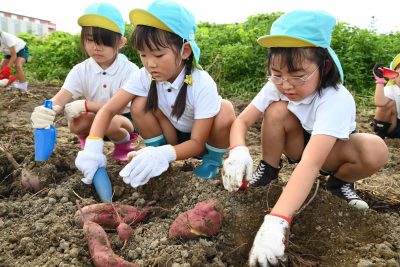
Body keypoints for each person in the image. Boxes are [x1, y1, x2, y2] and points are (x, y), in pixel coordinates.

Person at [221, 10, 388, 266]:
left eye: (298, 76)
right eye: (276, 74)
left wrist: (278, 219)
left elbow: (311, 163)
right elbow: (242, 121)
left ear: (325, 65)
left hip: (329, 153)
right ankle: (269, 168)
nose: (286, 85)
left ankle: (339, 183)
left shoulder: (336, 99)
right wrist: (238, 150)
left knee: (375, 149)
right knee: (276, 109)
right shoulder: (277, 84)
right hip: (297, 144)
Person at [74, 0, 236, 186]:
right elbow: (108, 110)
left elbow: (197, 142)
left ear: (185, 51)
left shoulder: (201, 82)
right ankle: (155, 154)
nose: (150, 64)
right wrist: (93, 149)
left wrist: (164, 154)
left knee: (225, 109)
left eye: (158, 55)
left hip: (202, 141)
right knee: (140, 103)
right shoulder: (144, 76)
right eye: (143, 55)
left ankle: (211, 163)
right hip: (171, 136)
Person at [30, 2, 139, 164]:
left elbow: (118, 107)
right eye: (90, 40)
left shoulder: (129, 70)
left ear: (121, 43)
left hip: (122, 121)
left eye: (104, 42)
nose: (96, 47)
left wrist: (87, 105)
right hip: (93, 121)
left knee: (111, 121)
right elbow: (61, 99)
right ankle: (87, 143)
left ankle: (124, 147)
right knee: (76, 121)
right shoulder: (81, 70)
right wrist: (47, 110)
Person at [371, 53, 400, 138]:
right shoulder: (391, 89)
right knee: (389, 104)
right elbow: (380, 103)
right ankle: (380, 133)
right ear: (393, 77)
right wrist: (380, 80)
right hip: (394, 126)